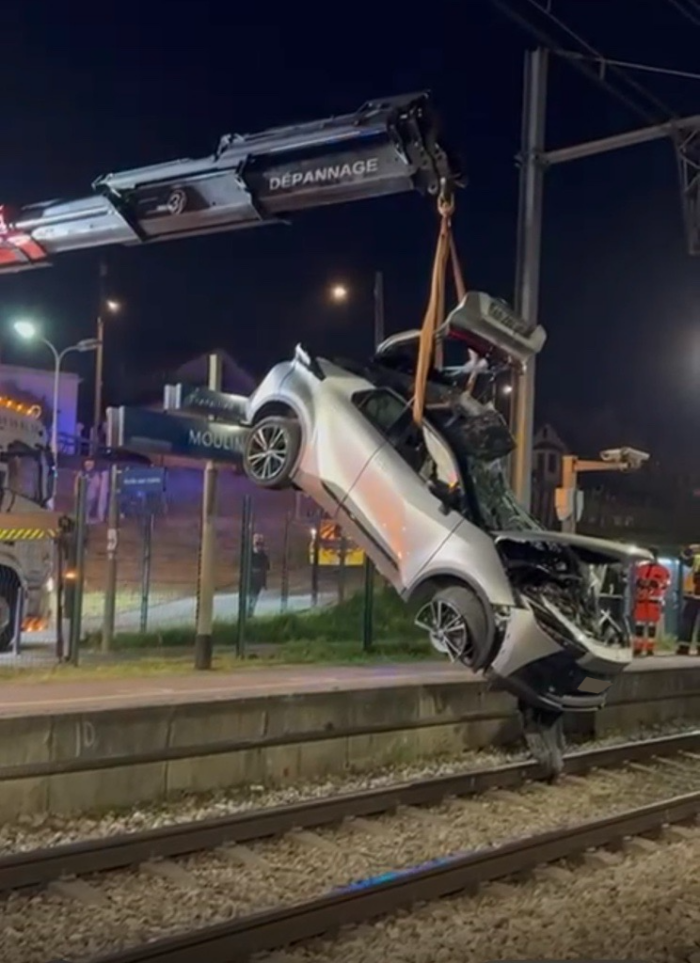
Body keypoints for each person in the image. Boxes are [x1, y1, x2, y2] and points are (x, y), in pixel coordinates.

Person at [677, 544, 700, 656]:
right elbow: (684, 558)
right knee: (687, 620)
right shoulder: (697, 557)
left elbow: (683, 559)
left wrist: (689, 549)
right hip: (693, 594)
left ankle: (683, 647)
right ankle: (684, 646)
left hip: (693, 595)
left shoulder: (697, 557)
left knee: (687, 620)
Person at [248, 534, 270, 617]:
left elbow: (265, 570)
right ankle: (249, 611)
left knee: (254, 596)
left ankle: (250, 612)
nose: (259, 546)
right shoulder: (249, 554)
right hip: (250, 578)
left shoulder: (263, 556)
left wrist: (264, 583)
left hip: (258, 580)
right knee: (250, 596)